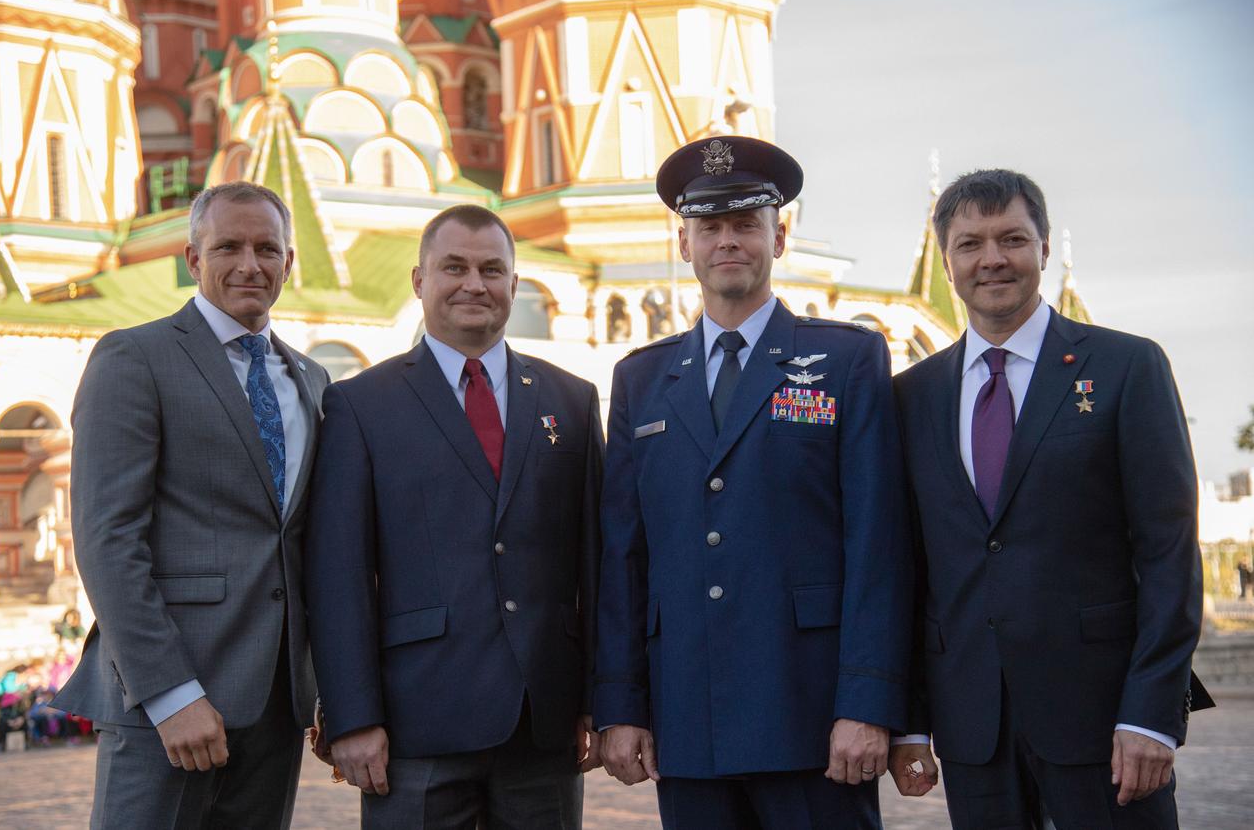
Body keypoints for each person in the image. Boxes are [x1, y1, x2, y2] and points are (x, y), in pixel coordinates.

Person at [594, 135, 912, 829]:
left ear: (779, 234)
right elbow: (622, 557)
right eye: (709, 227)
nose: (727, 242)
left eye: (745, 224)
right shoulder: (641, 380)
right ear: (684, 243)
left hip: (811, 715)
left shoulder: (844, 359)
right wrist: (620, 705)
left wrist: (867, 702)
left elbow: (877, 543)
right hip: (687, 716)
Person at [889, 169, 1212, 828]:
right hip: (974, 728)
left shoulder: (1126, 367)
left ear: (1041, 246)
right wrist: (910, 722)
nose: (991, 259)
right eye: (969, 243)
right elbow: (907, 571)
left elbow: (1167, 550)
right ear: (945, 259)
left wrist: (1150, 712)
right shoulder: (910, 395)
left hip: (1105, 721)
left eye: (1010, 238)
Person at [305, 204, 604, 828]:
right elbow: (339, 576)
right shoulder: (361, 405)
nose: (475, 283)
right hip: (416, 725)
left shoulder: (571, 401)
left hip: (541, 723)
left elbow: (595, 566)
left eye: (493, 269)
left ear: (514, 285)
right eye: (455, 267)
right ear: (419, 281)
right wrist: (354, 717)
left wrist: (599, 699)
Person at [52, 181, 331, 829]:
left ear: (290, 262)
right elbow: (107, 537)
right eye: (227, 246)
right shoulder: (135, 357)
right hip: (169, 703)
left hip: (275, 706)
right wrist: (170, 693)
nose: (249, 264)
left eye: (267, 248)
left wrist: (322, 689)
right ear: (192, 258)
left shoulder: (310, 379)